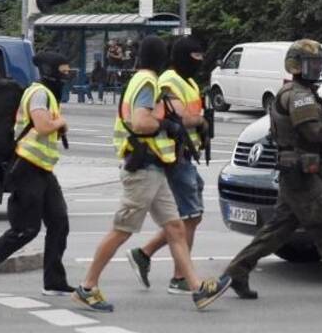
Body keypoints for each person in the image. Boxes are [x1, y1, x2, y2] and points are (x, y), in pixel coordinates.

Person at [73, 35, 230, 312]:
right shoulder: (146, 82)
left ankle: (197, 289)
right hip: (143, 167)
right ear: (160, 58)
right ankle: (87, 287)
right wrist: (167, 124)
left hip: (154, 166)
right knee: (122, 230)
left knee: (176, 227)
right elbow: (141, 122)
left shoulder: (143, 80)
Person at [223, 39, 322, 304]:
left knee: (276, 232)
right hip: (302, 175)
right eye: (311, 64)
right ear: (297, 65)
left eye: (319, 64)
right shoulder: (299, 95)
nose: (317, 69)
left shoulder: (302, 92)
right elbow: (312, 131)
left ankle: (237, 271)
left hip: (296, 173)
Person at [0, 51, 73, 296]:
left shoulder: (47, 93)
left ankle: (54, 282)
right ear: (51, 70)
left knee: (59, 224)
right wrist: (60, 123)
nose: (67, 74)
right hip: (27, 167)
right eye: (64, 69)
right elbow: (42, 126)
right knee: (25, 230)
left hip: (43, 169)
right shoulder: (39, 93)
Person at [127, 36, 209, 294]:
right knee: (189, 216)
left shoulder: (189, 81)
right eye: (194, 57)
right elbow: (179, 116)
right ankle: (179, 278)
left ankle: (145, 253)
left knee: (188, 217)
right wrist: (201, 121)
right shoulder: (168, 80)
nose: (198, 62)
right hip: (175, 155)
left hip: (185, 155)